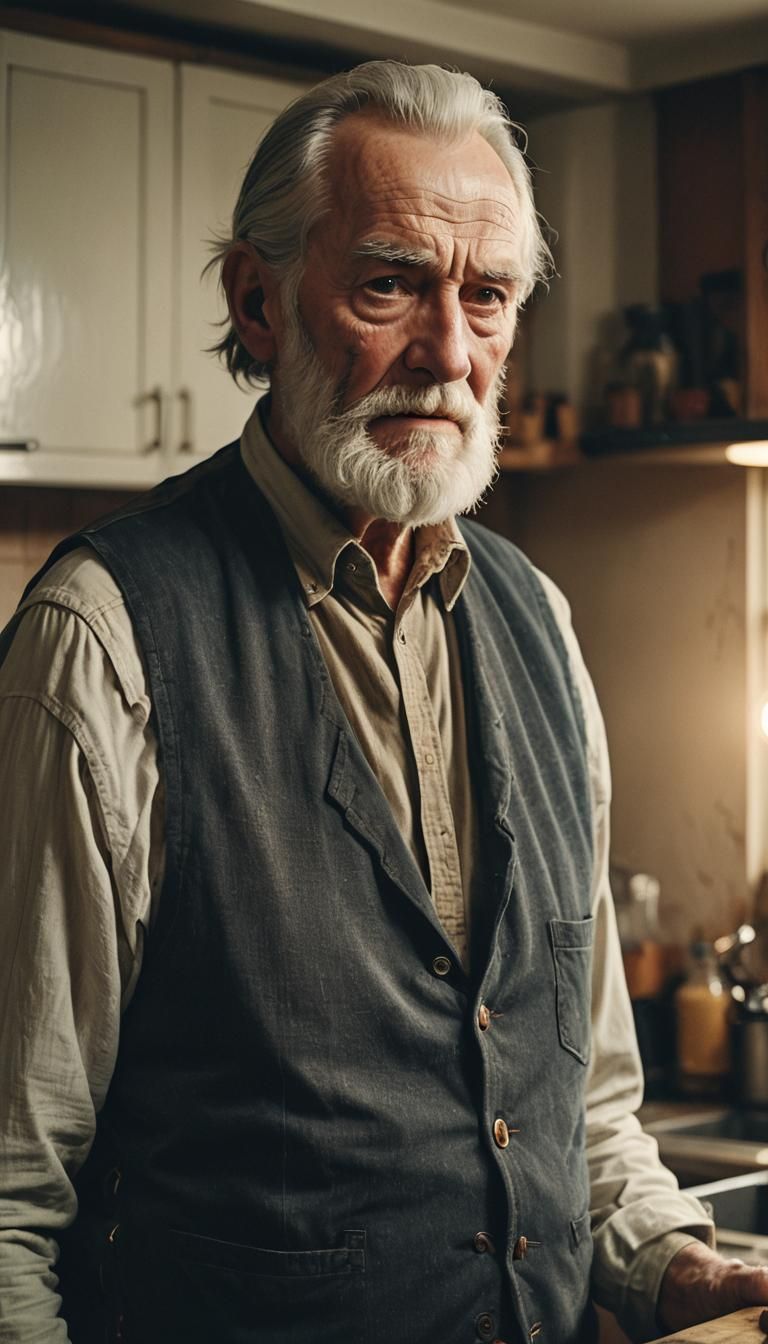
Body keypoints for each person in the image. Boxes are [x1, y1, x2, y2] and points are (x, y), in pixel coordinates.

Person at [0, 59, 765, 1344]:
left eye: (489, 297)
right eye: (390, 284)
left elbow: (584, 1114)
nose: (450, 354)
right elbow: (11, 1196)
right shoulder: (102, 641)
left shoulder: (540, 622)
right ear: (257, 302)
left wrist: (675, 1263)